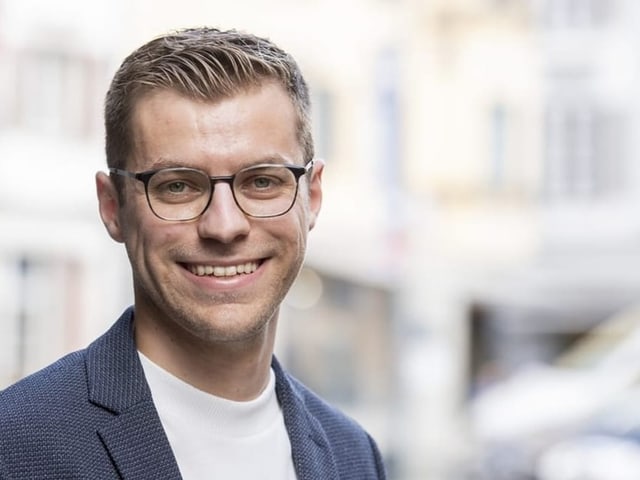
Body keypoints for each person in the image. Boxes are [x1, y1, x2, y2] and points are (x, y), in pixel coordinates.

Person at [0, 27, 386, 479]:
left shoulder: (353, 455)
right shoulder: (16, 446)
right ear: (112, 207)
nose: (224, 226)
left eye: (262, 181)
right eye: (177, 186)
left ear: (312, 196)